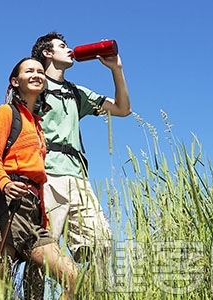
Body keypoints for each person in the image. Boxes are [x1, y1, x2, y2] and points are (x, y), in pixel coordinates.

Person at [30, 32, 131, 291]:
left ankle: (87, 294)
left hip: (78, 178)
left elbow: (122, 109)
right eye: (62, 46)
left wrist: (116, 70)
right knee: (43, 251)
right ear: (47, 53)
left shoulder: (76, 93)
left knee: (102, 241)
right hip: (46, 175)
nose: (69, 49)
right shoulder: (35, 85)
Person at [0, 57, 81, 300]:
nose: (37, 74)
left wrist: (42, 214)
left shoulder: (37, 124)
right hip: (6, 208)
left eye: (40, 71)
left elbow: (39, 178)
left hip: (33, 213)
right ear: (15, 81)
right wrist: (5, 184)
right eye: (29, 71)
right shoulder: (6, 113)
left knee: (73, 278)